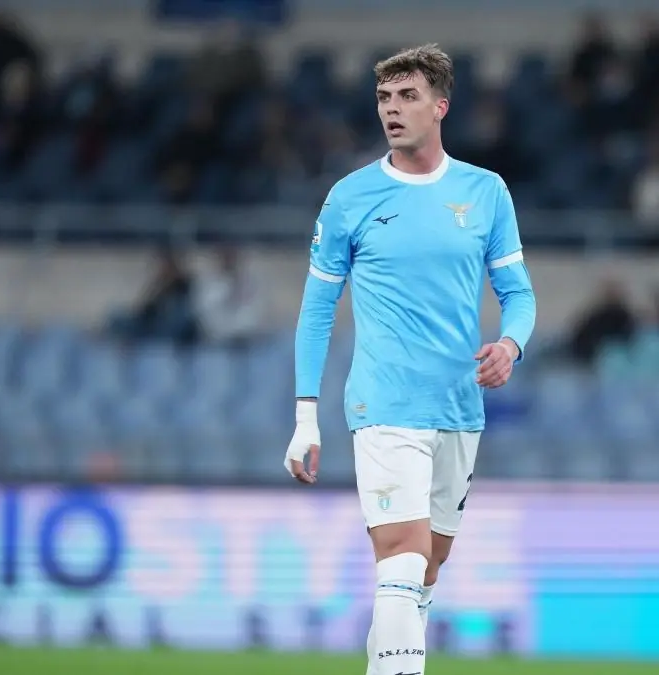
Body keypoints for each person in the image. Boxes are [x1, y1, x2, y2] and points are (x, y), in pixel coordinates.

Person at [282, 44, 536, 675]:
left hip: (458, 407)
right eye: (383, 98)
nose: (391, 109)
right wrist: (306, 415)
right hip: (384, 404)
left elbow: (519, 295)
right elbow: (316, 310)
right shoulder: (350, 197)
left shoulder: (485, 192)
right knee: (401, 552)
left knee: (426, 568)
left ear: (440, 106)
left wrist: (509, 345)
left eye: (407, 96)